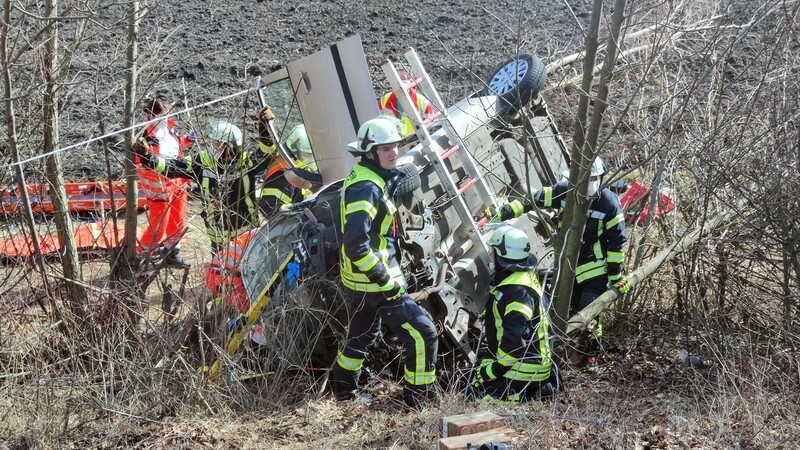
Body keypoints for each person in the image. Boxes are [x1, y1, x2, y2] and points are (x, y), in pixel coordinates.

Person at [331, 116, 438, 408]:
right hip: (374, 281)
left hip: (358, 280)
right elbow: (356, 244)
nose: (393, 154)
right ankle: (420, 400)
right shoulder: (367, 187)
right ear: (368, 153)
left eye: (395, 147)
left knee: (361, 337)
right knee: (422, 332)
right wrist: (385, 282)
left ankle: (343, 392)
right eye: (385, 149)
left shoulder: (371, 176)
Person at [495, 157, 628, 368]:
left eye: (595, 177)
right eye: (586, 177)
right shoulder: (566, 191)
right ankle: (563, 355)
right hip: (567, 268)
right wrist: (508, 210)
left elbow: (617, 243)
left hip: (595, 269)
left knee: (590, 313)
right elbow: (536, 198)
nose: (591, 182)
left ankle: (591, 357)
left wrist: (615, 276)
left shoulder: (609, 203)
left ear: (602, 177)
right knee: (565, 313)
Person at [133, 106, 278, 255]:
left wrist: (265, 128)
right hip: (218, 234)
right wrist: (148, 158)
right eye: (214, 143)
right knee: (223, 270)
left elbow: (266, 154)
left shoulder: (245, 162)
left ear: (231, 146)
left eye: (218, 144)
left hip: (247, 230)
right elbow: (173, 167)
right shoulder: (203, 162)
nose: (214, 148)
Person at [470, 225, 553, 402]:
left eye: (493, 251)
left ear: (502, 255)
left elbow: (515, 340)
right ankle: (533, 391)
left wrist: (493, 371)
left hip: (523, 371)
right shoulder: (524, 278)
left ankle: (524, 397)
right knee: (473, 375)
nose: (491, 255)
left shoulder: (516, 291)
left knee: (476, 397)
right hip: (531, 365)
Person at [136, 96, 197, 267]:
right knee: (158, 227)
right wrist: (146, 155)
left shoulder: (168, 129)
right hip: (160, 189)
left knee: (178, 219)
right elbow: (140, 164)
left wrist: (187, 140)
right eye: (164, 112)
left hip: (178, 182)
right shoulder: (144, 138)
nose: (167, 116)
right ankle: (140, 256)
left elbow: (173, 147)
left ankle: (172, 252)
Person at [256, 123, 318, 217]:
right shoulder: (283, 175)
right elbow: (269, 210)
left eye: (312, 154)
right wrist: (302, 210)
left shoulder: (300, 167)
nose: (310, 158)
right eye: (307, 154)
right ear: (294, 150)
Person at [378, 68, 434, 137]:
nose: (398, 81)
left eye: (403, 78)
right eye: (396, 78)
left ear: (410, 81)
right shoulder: (384, 100)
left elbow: (432, 125)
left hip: (414, 142)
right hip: (391, 142)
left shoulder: (422, 101)